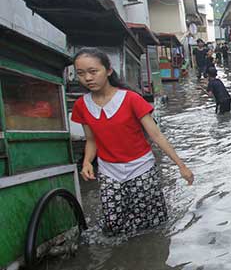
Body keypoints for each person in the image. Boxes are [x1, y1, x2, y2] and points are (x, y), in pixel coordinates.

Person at [70, 48, 194, 236]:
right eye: (81, 73)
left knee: (151, 223)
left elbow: (156, 135)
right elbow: (91, 140)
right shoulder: (81, 105)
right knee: (113, 224)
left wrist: (181, 166)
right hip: (108, 170)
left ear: (108, 71)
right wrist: (87, 162)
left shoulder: (131, 99)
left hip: (141, 166)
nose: (87, 78)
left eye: (93, 71)